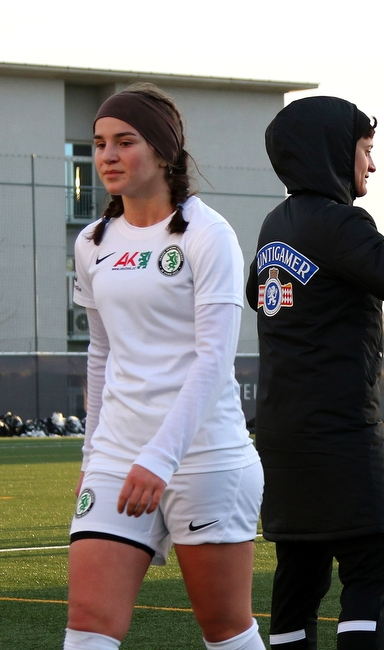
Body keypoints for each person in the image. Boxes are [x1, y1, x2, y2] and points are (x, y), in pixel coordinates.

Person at [66, 84, 265, 650]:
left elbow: (212, 360)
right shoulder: (92, 241)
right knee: (87, 623)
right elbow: (100, 354)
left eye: (124, 141)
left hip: (204, 457)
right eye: (100, 143)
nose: (106, 155)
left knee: (225, 628)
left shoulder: (209, 234)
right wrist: (93, 456)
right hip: (116, 458)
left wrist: (160, 457)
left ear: (163, 152)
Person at [246, 97, 384, 650]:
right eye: (365, 152)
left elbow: (255, 295)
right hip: (340, 433)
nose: (373, 167)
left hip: (282, 441)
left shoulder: (274, 225)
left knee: (296, 586)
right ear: (333, 152)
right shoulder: (339, 223)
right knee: (368, 573)